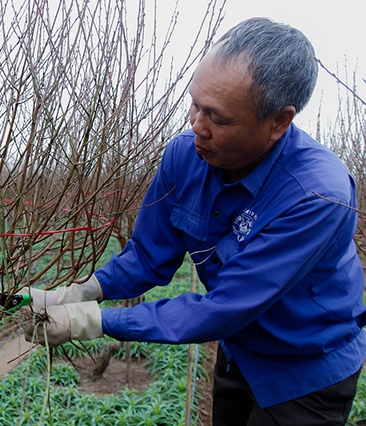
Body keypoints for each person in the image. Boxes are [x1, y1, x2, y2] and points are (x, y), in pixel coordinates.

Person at [22, 17, 366, 426]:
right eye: (195, 104)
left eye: (217, 119)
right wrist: (83, 292)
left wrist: (94, 321)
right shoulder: (186, 155)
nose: (196, 126)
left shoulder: (316, 196)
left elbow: (225, 307)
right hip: (239, 351)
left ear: (278, 121)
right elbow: (149, 255)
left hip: (305, 368)